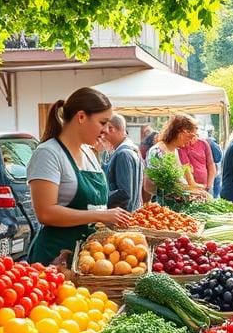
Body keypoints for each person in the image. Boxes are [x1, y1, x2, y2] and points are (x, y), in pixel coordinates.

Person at [27, 87, 133, 264]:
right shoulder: (48, 153)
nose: (106, 130)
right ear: (81, 117)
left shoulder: (88, 153)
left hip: (88, 256)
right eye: (102, 122)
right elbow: (45, 213)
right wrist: (101, 215)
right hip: (54, 258)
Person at [145, 114, 210, 199]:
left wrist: (193, 191)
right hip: (165, 207)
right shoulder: (157, 151)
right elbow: (156, 186)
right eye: (191, 136)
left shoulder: (175, 150)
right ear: (181, 132)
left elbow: (177, 182)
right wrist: (189, 192)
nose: (192, 140)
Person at [103, 112, 143, 212]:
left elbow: (124, 193)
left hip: (121, 217)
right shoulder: (132, 150)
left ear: (111, 128)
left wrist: (99, 200)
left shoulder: (123, 154)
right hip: (129, 214)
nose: (102, 135)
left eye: (104, 131)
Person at [206, 128, 223, 198]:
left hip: (212, 170)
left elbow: (217, 158)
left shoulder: (208, 143)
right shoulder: (215, 144)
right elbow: (219, 158)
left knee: (212, 192)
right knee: (216, 193)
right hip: (217, 170)